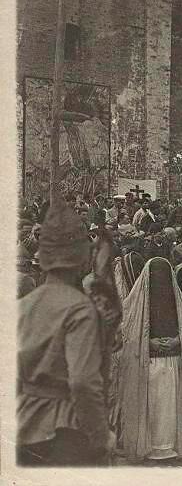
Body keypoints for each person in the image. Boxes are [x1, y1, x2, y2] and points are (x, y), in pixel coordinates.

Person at [17, 196, 114, 466]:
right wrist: (100, 435)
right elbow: (83, 382)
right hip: (66, 428)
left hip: (23, 423)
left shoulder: (24, 305)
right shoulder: (80, 309)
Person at [119, 257, 182, 462]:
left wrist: (178, 340)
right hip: (147, 362)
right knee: (151, 406)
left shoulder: (178, 300)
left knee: (170, 407)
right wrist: (148, 343)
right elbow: (129, 330)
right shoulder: (135, 301)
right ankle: (150, 449)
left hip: (173, 360)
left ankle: (169, 448)